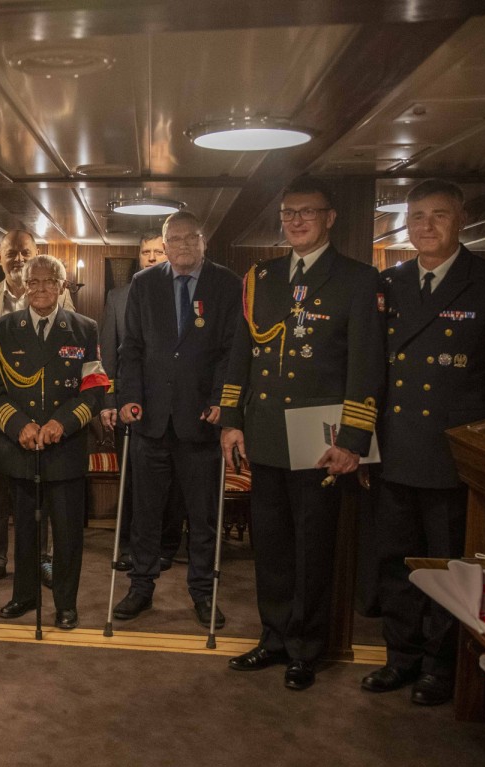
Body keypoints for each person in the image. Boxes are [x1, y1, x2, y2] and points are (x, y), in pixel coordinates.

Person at [362, 179, 485, 705]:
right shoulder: (389, 283)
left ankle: (440, 665)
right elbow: (371, 371)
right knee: (395, 560)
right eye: (417, 216)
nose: (426, 226)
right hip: (395, 446)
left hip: (454, 452)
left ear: (462, 220)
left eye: (439, 215)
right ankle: (400, 657)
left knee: (448, 563)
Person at [219, 175, 385, 690]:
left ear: (329, 218)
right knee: (271, 547)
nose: (296, 221)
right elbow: (242, 354)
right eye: (288, 212)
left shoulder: (358, 279)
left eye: (307, 212)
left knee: (313, 547)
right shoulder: (261, 278)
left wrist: (352, 441)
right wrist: (231, 420)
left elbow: (366, 366)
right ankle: (273, 638)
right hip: (267, 431)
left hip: (321, 438)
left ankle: (306, 649)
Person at [113, 213, 240, 627]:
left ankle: (203, 593)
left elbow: (231, 351)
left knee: (202, 517)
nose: (183, 245)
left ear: (204, 242)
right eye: (176, 239)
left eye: (191, 238)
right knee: (145, 514)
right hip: (150, 419)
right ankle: (141, 587)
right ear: (164, 245)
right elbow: (131, 347)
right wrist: (129, 397)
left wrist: (222, 400)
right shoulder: (144, 283)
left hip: (201, 419)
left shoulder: (227, 283)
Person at [0, 255, 109, 629]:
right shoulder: (5, 328)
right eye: (34, 282)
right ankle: (24, 595)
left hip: (64, 446)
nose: (41, 288)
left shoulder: (84, 328)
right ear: (25, 287)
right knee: (25, 529)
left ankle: (65, 603)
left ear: (61, 286)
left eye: (49, 281)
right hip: (21, 445)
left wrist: (63, 422)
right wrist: (18, 425)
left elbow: (94, 389)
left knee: (68, 533)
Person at [0, 229, 73, 590]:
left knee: (37, 492)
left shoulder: (62, 296)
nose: (18, 259)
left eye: (24, 252)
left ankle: (40, 559)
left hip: (40, 418)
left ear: (35, 253)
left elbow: (70, 349)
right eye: (10, 253)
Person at [100, 231, 181, 574]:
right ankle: (129, 545)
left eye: (158, 252)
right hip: (129, 406)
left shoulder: (180, 293)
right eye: (146, 252)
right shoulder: (118, 297)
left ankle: (166, 545)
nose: (151, 257)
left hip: (171, 405)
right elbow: (108, 354)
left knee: (172, 481)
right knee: (132, 481)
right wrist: (108, 400)